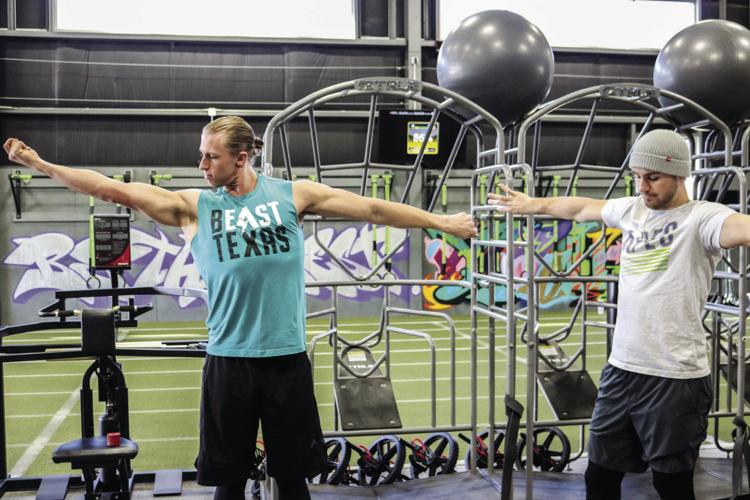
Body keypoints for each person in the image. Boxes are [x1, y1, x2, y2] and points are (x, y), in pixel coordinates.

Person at [3, 116, 477, 500]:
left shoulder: (294, 195)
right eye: (202, 155)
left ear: (242, 158)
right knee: (227, 483)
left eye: (211, 156)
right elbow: (110, 189)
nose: (202, 163)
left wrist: (443, 222)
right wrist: (42, 164)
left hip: (286, 360)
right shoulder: (195, 206)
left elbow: (372, 210)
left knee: (294, 481)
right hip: (229, 362)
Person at [488, 128, 750, 500]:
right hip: (622, 371)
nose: (643, 186)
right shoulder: (632, 210)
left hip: (674, 378)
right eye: (637, 177)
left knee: (671, 485)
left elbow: (742, 228)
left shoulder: (703, 218)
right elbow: (580, 208)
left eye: (653, 178)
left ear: (680, 174)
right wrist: (532, 204)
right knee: (599, 477)